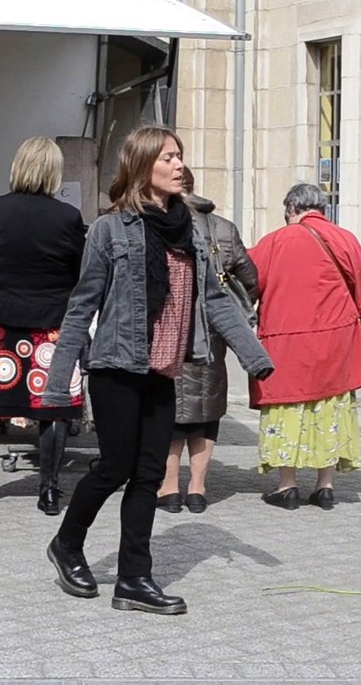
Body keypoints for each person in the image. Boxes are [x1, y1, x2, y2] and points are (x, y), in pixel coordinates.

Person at [40, 125, 273, 615]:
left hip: (166, 370)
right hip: (116, 367)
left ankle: (134, 580)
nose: (178, 165)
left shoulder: (191, 229)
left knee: (149, 475)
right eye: (168, 157)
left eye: (180, 156)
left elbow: (214, 299)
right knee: (114, 467)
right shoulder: (110, 229)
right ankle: (67, 543)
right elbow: (81, 307)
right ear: (143, 165)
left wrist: (257, 359)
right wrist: (58, 381)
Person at [0, 137, 86, 514]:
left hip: (5, 319)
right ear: (53, 172)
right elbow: (75, 273)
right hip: (52, 323)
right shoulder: (68, 218)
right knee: (53, 406)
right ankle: (48, 491)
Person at [247, 183, 361, 510]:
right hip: (336, 340)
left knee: (287, 409)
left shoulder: (274, 241)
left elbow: (247, 282)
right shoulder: (346, 239)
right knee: (329, 409)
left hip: (284, 342)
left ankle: (287, 485)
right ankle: (325, 486)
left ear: (292, 208)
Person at [156, 166, 258, 514]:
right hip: (212, 330)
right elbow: (251, 278)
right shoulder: (223, 228)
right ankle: (198, 489)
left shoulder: (159, 222)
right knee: (207, 408)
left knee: (168, 409)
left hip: (166, 328)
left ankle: (169, 489)